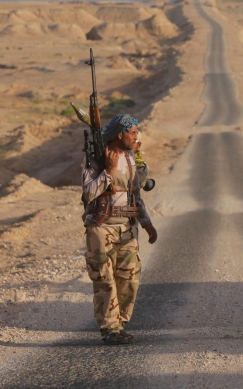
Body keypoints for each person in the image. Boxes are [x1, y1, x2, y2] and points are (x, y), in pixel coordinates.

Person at [82, 114, 158, 345]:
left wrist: (146, 223)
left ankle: (120, 323)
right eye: (133, 132)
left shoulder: (131, 157)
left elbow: (134, 195)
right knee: (105, 280)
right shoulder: (96, 158)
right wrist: (108, 171)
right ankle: (109, 329)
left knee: (129, 280)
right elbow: (88, 193)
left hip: (127, 228)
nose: (136, 137)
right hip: (101, 228)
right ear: (120, 134)